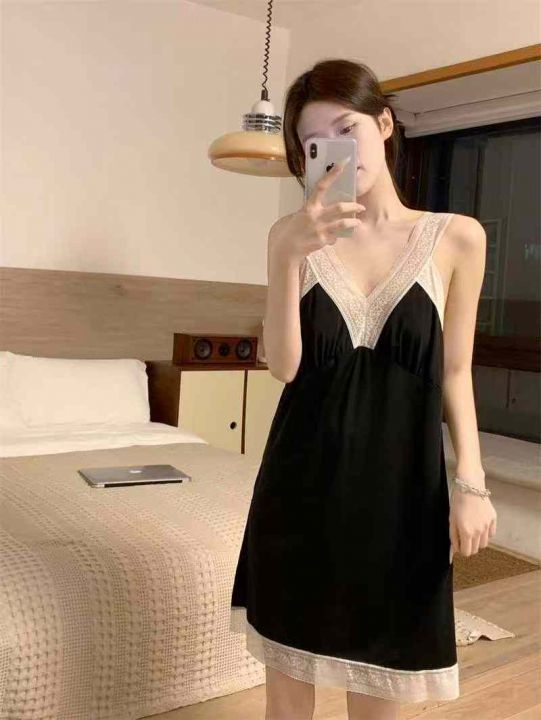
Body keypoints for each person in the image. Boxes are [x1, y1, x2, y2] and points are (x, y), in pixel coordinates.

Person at [229, 58, 498, 720]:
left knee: (380, 694)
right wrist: (285, 255)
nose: (335, 150)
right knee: (287, 705)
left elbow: (454, 372)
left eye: (346, 128)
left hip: (402, 497)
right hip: (297, 491)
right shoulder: (291, 240)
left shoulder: (456, 239)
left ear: (383, 123)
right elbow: (284, 366)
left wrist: (470, 482)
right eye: (314, 143)